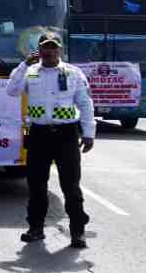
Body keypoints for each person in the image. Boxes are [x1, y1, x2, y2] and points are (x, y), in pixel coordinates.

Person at [6, 31, 95, 248]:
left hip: (66, 135)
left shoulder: (73, 73)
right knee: (36, 185)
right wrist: (23, 66)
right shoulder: (32, 72)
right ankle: (35, 228)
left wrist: (89, 132)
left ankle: (77, 232)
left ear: (60, 50)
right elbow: (12, 90)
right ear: (39, 51)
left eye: (53, 47)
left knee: (71, 186)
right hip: (38, 134)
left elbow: (85, 103)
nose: (49, 51)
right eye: (45, 47)